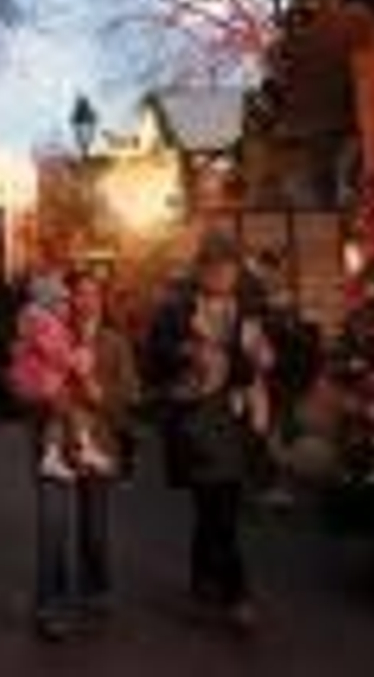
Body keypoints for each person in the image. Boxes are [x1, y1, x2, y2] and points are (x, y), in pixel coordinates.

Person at [145, 232, 275, 633]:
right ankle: (238, 594)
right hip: (195, 419)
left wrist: (246, 360)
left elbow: (253, 366)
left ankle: (202, 575)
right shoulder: (176, 310)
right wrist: (186, 352)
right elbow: (154, 356)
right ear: (200, 270)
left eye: (229, 267)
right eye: (215, 267)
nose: (223, 274)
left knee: (221, 508)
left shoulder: (248, 312)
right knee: (215, 507)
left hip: (234, 418)